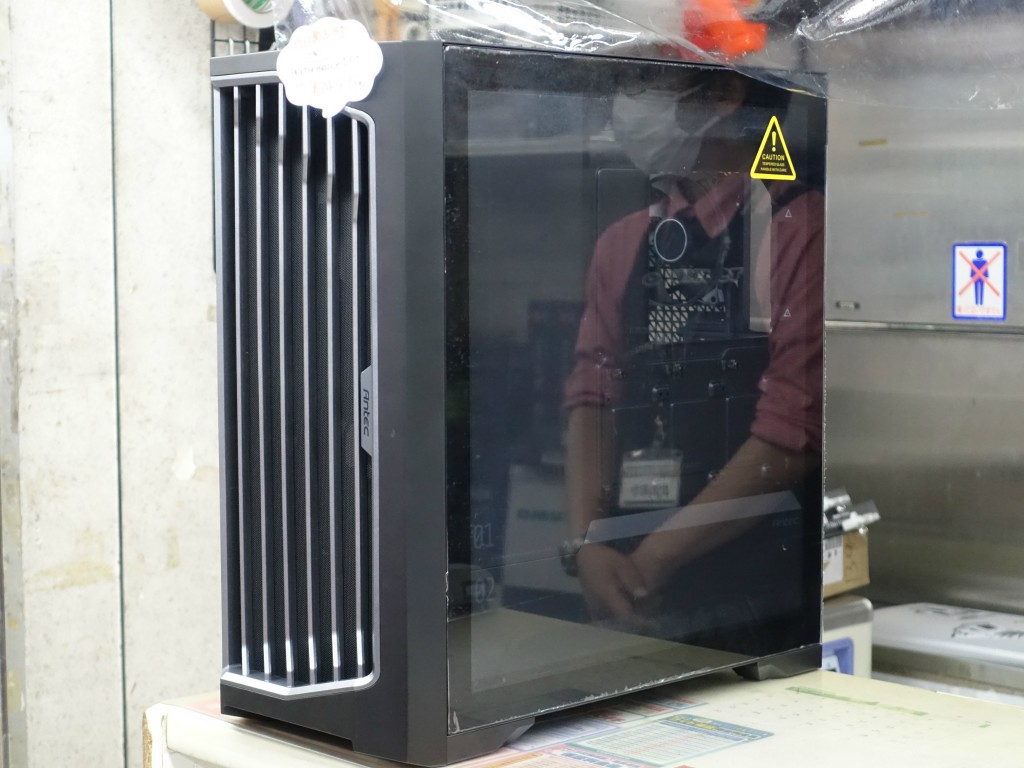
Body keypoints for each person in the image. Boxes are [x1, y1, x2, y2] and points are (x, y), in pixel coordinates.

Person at [562, 69, 824, 636]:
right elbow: (593, 395)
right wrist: (587, 544)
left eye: (647, 79)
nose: (626, 101)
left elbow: (795, 427)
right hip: (627, 573)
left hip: (755, 592)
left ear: (725, 96)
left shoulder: (798, 228)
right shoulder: (622, 242)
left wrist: (650, 564)